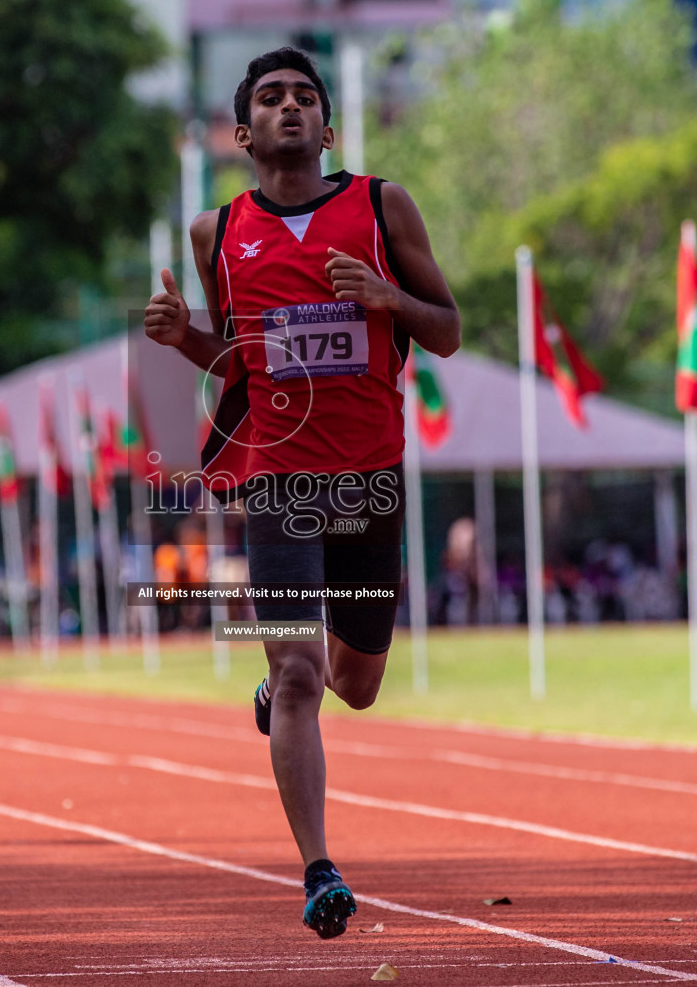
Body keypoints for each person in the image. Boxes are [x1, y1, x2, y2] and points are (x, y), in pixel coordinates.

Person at [145, 46, 460, 939]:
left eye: (306, 98)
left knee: (354, 684)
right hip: (276, 479)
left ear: (330, 127)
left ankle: (300, 689)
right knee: (295, 674)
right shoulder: (217, 234)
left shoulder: (378, 205)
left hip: (369, 476)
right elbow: (240, 367)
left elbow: (449, 333)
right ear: (243, 133)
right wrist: (182, 342)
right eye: (272, 100)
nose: (291, 108)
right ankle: (320, 870)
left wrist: (387, 296)